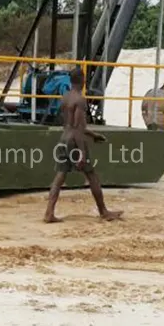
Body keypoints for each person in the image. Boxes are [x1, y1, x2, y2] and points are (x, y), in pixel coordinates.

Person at [44, 66, 123, 222]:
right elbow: (78, 128)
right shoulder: (80, 100)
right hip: (74, 141)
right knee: (91, 175)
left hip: (63, 139)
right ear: (83, 81)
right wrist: (81, 152)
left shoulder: (65, 97)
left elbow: (68, 124)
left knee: (59, 177)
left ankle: (49, 213)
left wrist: (93, 135)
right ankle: (103, 211)